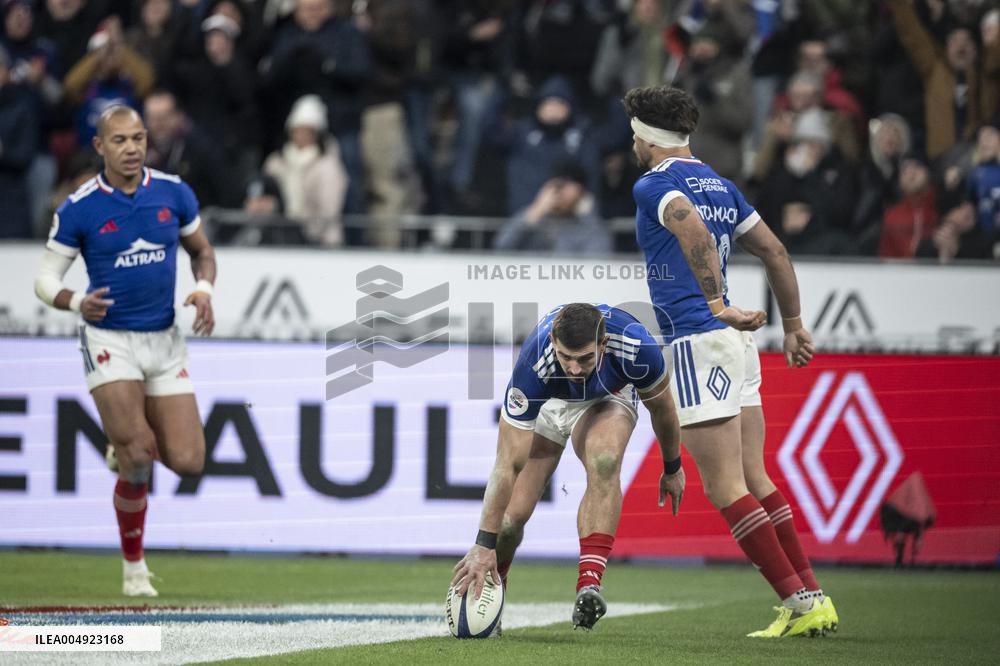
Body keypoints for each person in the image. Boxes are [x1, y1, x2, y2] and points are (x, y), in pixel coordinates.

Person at [624, 85, 837, 638]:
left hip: (700, 337)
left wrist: (717, 305)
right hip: (738, 347)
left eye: (633, 134)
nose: (632, 143)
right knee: (752, 474)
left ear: (646, 137)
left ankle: (797, 601)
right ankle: (812, 594)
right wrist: (793, 325)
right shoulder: (721, 184)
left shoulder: (654, 183)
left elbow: (687, 225)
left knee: (723, 487)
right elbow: (774, 250)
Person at [32, 104, 216, 597]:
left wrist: (204, 291)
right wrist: (75, 300)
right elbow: (45, 279)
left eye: (138, 138)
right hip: (110, 338)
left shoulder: (173, 193)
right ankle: (134, 568)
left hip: (165, 340)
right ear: (99, 147)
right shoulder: (80, 207)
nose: (132, 148)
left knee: (189, 461)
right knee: (138, 457)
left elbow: (202, 251)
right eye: (120, 140)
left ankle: (125, 437)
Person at [451, 303, 684, 631]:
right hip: (550, 403)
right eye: (566, 357)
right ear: (554, 345)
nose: (574, 369)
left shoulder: (635, 346)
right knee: (507, 524)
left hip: (607, 399)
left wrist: (672, 467)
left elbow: (663, 409)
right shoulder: (534, 365)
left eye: (585, 358)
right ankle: (496, 589)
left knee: (605, 460)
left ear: (603, 346)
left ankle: (589, 584)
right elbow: (507, 465)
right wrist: (483, 545)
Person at [493, 163, 611, 257]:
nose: (561, 193)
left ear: (581, 192)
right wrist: (536, 210)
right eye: (558, 186)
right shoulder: (534, 216)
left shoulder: (590, 227)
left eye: (568, 187)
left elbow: (597, 264)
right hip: (530, 283)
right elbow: (501, 247)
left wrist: (587, 213)